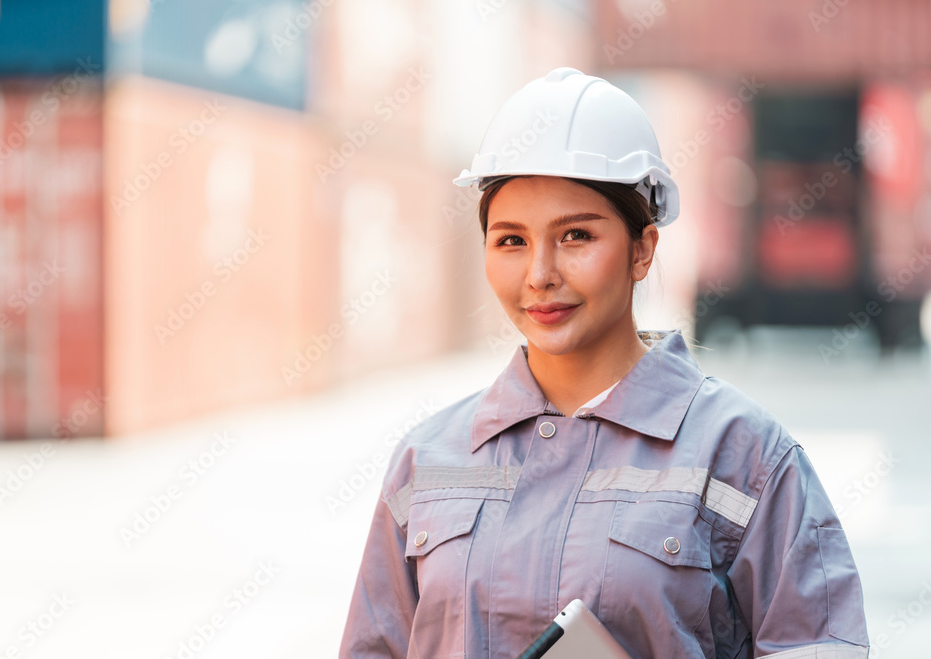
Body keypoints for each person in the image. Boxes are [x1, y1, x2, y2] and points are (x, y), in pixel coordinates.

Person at [338, 67, 869, 658]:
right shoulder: (428, 460)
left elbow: (821, 645)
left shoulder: (744, 456)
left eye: (576, 237)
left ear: (641, 249)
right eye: (511, 240)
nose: (540, 274)